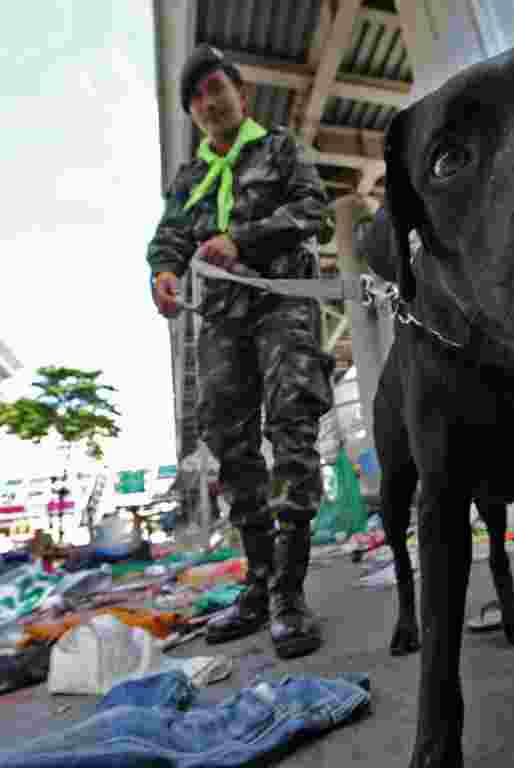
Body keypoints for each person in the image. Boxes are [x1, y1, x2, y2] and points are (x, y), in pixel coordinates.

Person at [146, 45, 333, 659]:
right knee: (228, 438)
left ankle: (290, 593)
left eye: (216, 89)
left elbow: (314, 210)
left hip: (281, 301)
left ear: (240, 95)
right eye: (196, 97)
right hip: (221, 319)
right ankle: (256, 583)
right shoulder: (190, 177)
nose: (207, 102)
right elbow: (170, 237)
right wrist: (165, 275)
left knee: (291, 427)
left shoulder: (277, 147)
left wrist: (243, 238)